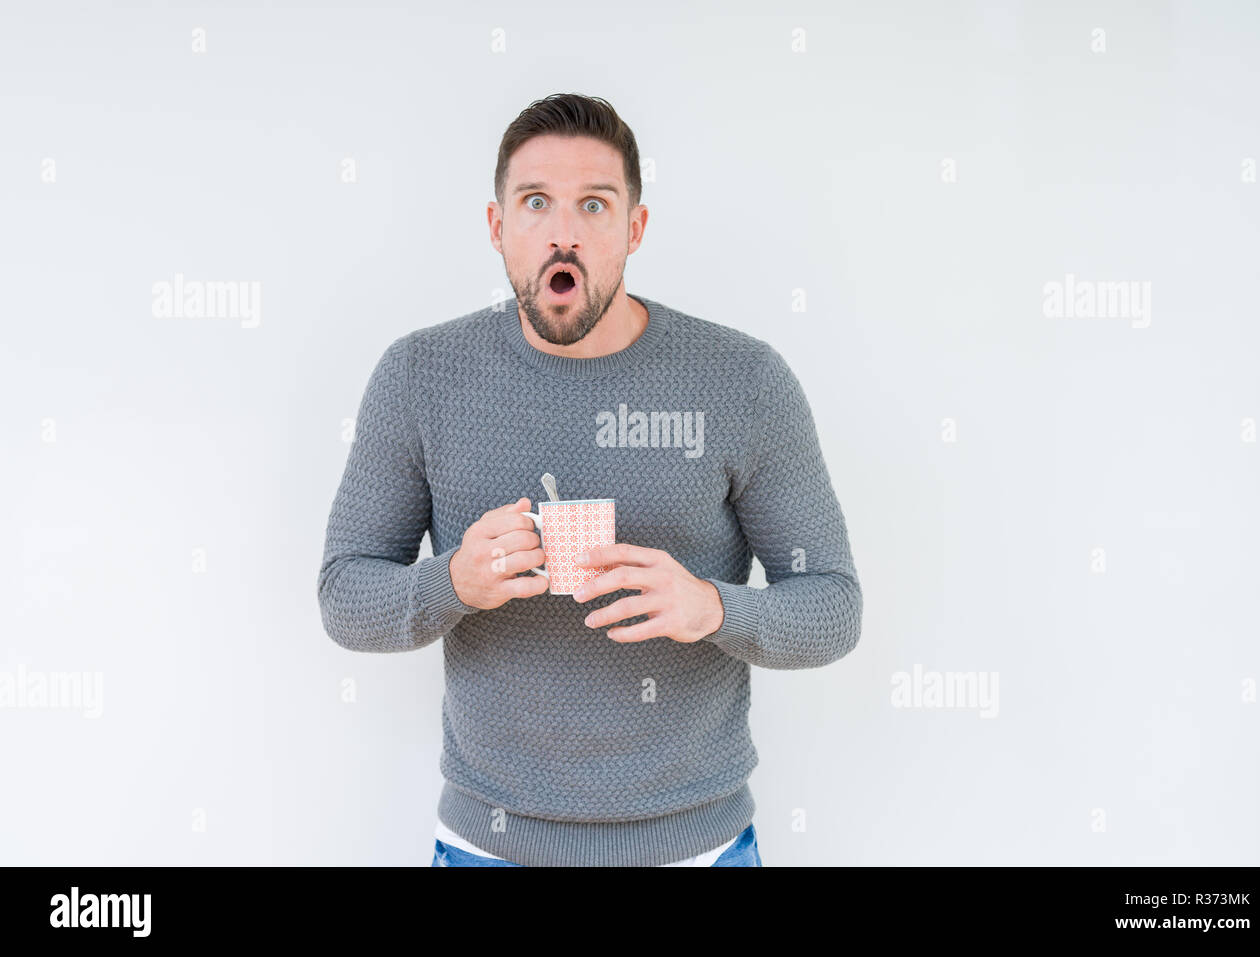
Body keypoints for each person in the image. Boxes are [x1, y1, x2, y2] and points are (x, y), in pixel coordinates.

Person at [317, 92, 863, 866]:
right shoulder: (419, 376)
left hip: (697, 848)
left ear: (635, 227)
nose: (563, 233)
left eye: (595, 205)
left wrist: (710, 606)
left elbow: (834, 606)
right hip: (487, 845)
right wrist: (454, 581)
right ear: (497, 226)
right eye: (535, 202)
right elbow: (344, 594)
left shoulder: (743, 381)